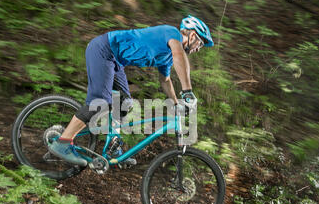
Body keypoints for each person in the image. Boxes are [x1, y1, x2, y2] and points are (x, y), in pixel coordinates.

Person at [49, 15, 214, 166]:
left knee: (125, 103)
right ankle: (63, 143)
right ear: (192, 36)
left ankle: (113, 149)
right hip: (103, 50)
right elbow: (179, 55)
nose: (199, 48)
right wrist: (187, 91)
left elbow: (165, 80)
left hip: (115, 61)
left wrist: (176, 104)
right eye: (201, 43)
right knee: (99, 104)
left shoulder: (167, 57)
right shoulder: (172, 34)